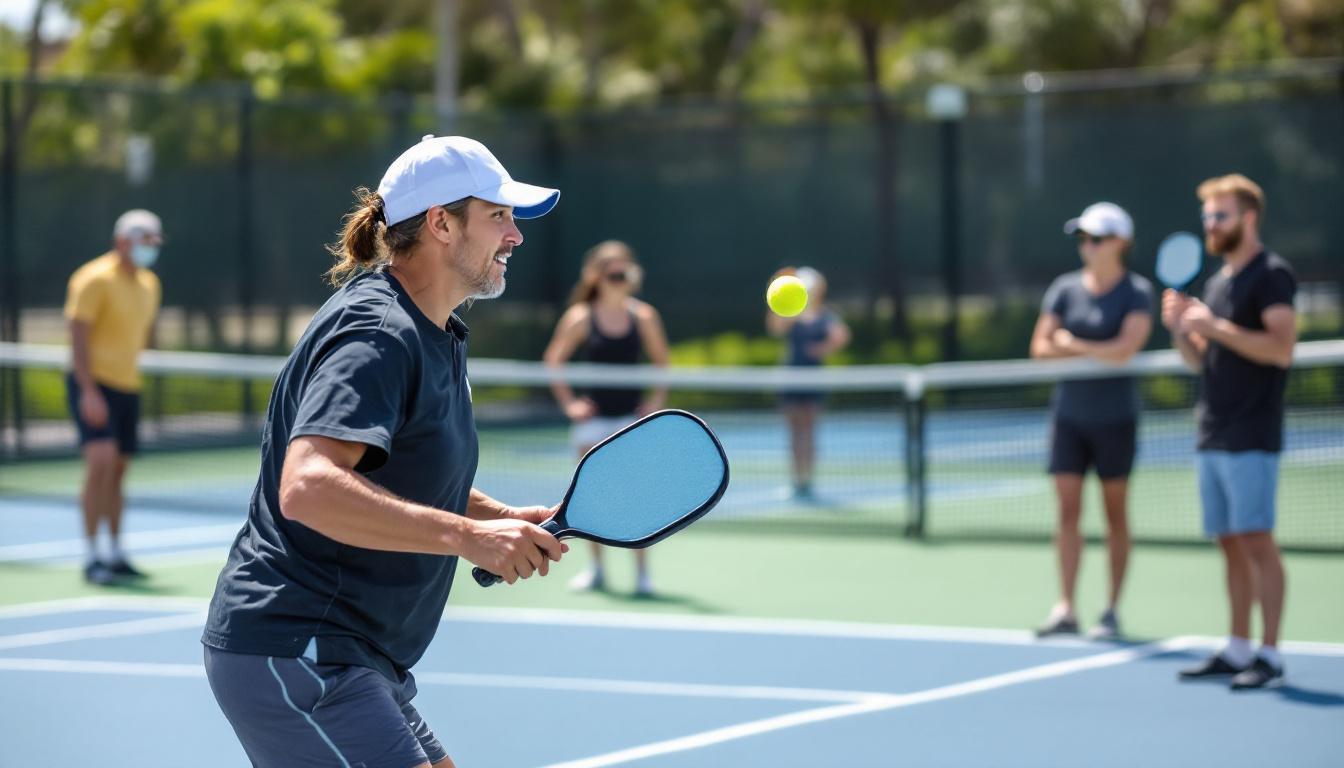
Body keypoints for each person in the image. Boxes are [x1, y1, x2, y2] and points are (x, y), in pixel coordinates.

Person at [202, 135, 567, 767]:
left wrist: (494, 517)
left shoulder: (434, 333)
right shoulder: (378, 333)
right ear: (441, 224)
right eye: (499, 216)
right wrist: (465, 537)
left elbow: (402, 472)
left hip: (355, 651)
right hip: (300, 645)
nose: (516, 236)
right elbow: (309, 485)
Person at [1163, 174, 1297, 690]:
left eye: (1220, 215)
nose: (1211, 225)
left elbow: (1279, 349)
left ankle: (1270, 654)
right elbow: (1203, 362)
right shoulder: (1218, 283)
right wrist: (1182, 331)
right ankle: (1237, 646)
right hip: (1212, 432)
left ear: (1248, 218)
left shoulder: (1272, 275)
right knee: (1230, 544)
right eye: (1207, 217)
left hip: (1252, 432)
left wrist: (1212, 325)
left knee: (1257, 540)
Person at [1029, 202, 1154, 641]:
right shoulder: (1064, 289)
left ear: (1120, 242)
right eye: (1082, 239)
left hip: (1116, 418)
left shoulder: (1136, 291)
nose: (1088, 246)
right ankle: (1065, 606)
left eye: (1096, 239)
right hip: (1069, 418)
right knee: (1067, 512)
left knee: (1115, 514)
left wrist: (1073, 344)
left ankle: (1111, 608)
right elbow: (1040, 348)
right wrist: (1089, 349)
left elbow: (1125, 350)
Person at [543, 240, 669, 595]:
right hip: (593, 424)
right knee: (589, 499)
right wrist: (570, 405)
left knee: (638, 497)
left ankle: (643, 575)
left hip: (631, 422)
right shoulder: (581, 316)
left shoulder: (643, 316)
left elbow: (663, 363)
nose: (618, 277)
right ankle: (596, 569)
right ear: (596, 276)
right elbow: (554, 361)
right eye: (611, 272)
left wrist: (655, 402)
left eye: (623, 271)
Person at [63, 209, 164, 586]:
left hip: (128, 387)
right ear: (122, 242)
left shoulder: (150, 284)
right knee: (100, 462)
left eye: (155, 242)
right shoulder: (92, 278)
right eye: (145, 241)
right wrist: (89, 390)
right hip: (94, 384)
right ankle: (92, 555)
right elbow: (77, 336)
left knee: (119, 470)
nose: (151, 248)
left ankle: (115, 552)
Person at [765, 266, 850, 500]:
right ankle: (796, 480)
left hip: (814, 379)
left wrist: (822, 349)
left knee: (809, 430)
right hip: (791, 378)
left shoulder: (826, 314)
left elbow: (842, 336)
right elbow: (774, 327)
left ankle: (808, 480)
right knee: (793, 431)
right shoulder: (791, 313)